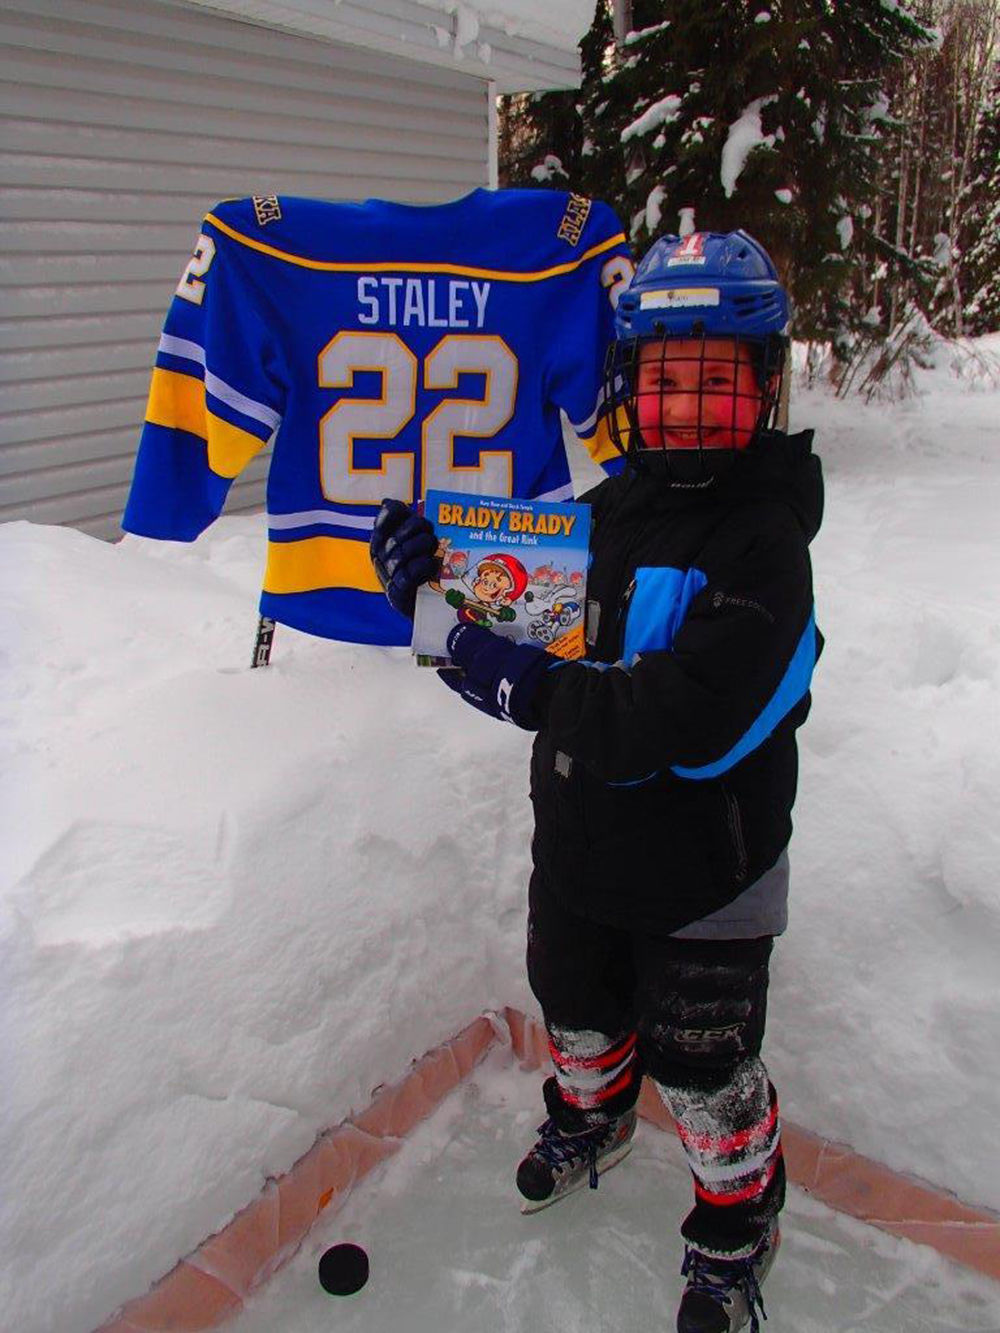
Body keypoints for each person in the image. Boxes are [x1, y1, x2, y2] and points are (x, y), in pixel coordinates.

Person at [370, 230, 823, 1333]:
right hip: (577, 843)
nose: (689, 404)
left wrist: (501, 667)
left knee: (704, 1064)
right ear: (629, 385)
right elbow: (509, 620)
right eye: (667, 378)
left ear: (765, 386)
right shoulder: (603, 510)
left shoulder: (767, 547)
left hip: (708, 873)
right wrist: (431, 588)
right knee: (573, 1006)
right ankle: (592, 1112)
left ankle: (737, 1208)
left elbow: (672, 722)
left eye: (719, 377)